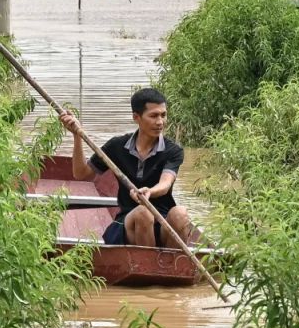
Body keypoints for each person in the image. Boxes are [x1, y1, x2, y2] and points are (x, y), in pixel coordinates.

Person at [58, 87, 196, 248]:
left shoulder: (173, 150)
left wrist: (150, 191)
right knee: (144, 213)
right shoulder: (116, 146)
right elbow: (81, 174)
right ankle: (149, 267)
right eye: (153, 116)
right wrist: (77, 136)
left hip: (163, 221)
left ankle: (175, 267)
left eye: (163, 115)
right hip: (129, 222)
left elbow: (165, 184)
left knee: (180, 213)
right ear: (136, 117)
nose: (160, 122)